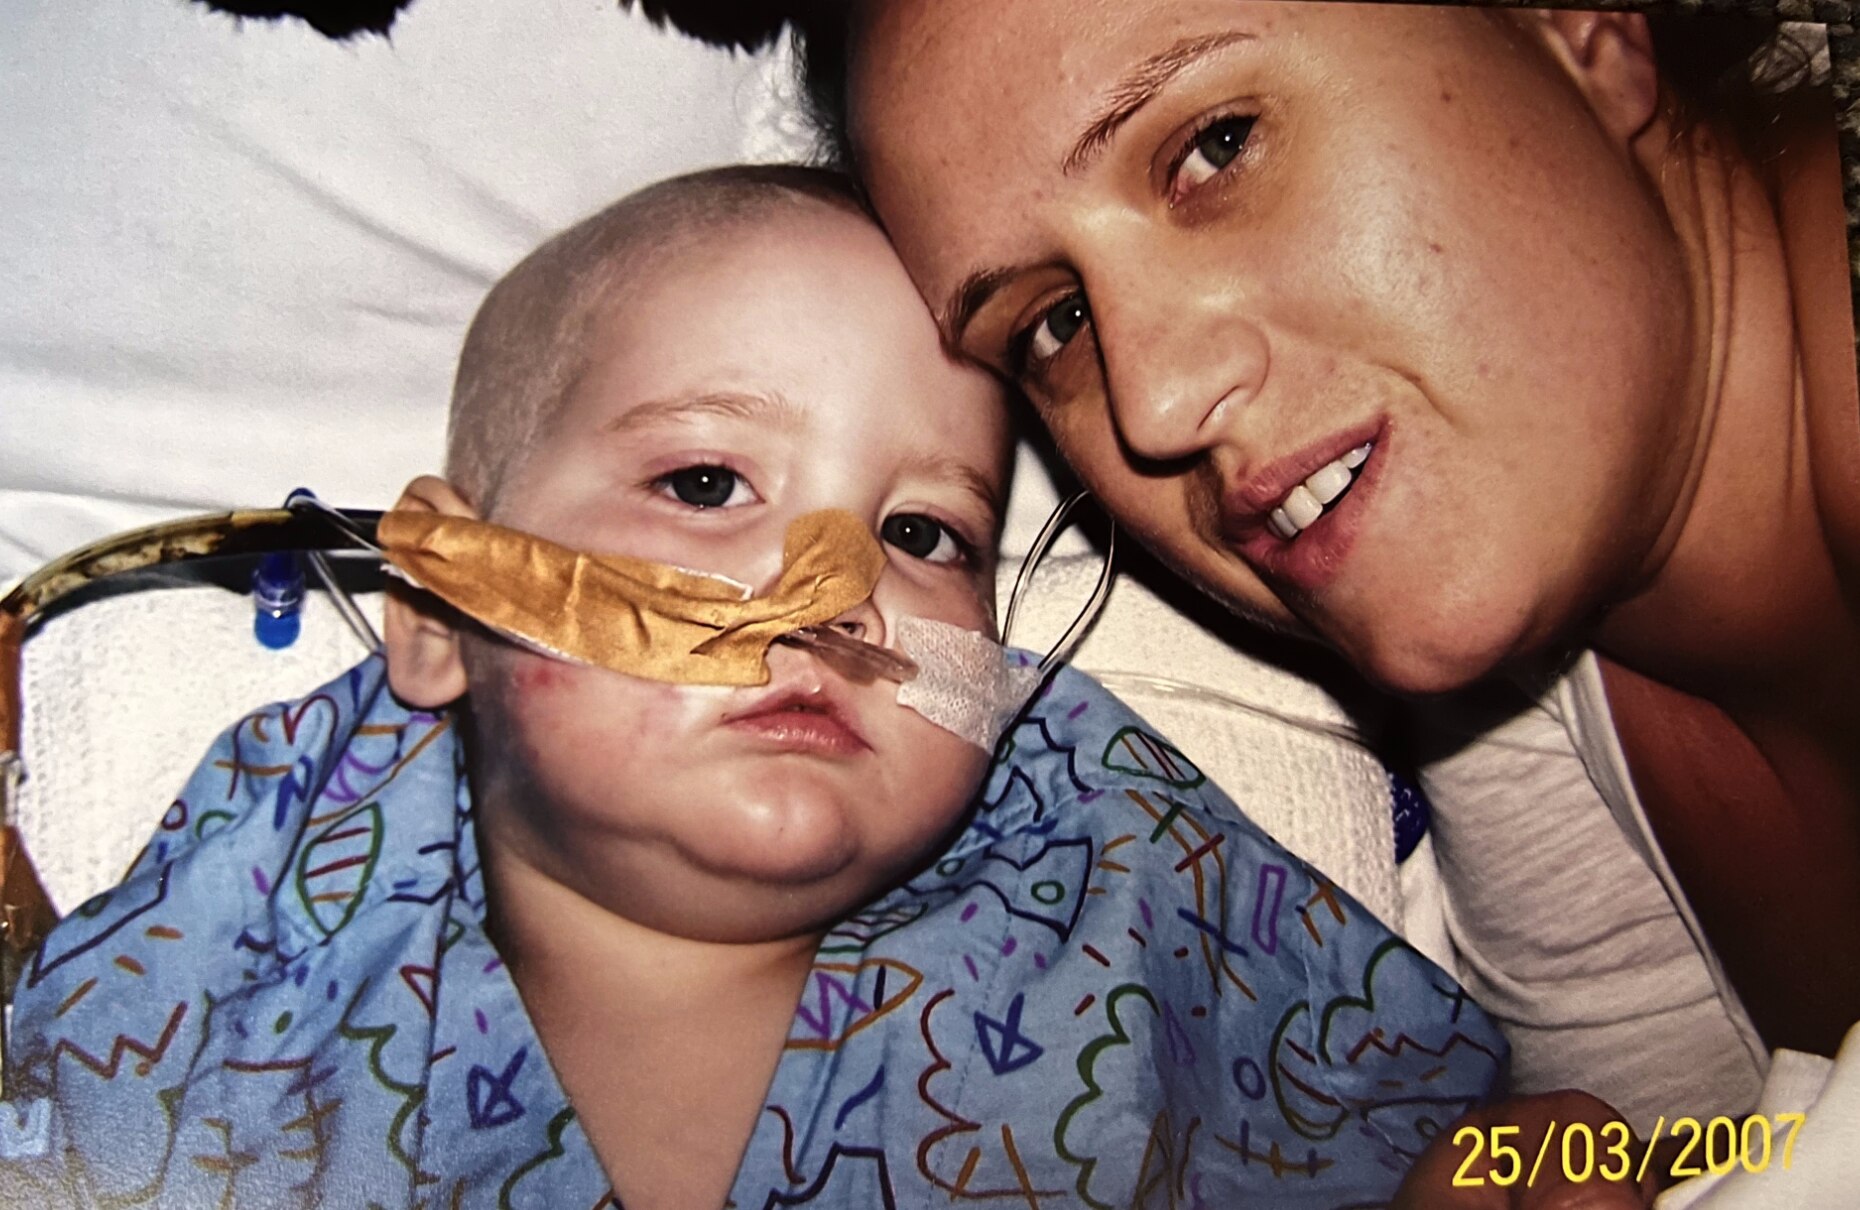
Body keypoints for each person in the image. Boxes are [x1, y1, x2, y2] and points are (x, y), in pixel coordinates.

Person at [4, 165, 1507, 1208]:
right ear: (444, 609)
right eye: (708, 479)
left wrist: (1558, 1152)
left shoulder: (1101, 851)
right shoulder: (277, 901)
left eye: (928, 534)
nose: (839, 592)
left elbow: (1493, 1136)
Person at [644, 0, 1859, 1172]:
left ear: (1580, 25)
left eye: (1216, 149)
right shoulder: (1531, 704)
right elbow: (1743, 1140)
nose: (1156, 401)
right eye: (1056, 323)